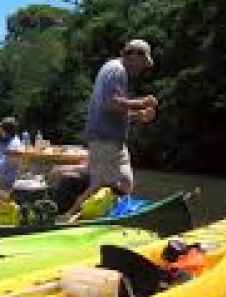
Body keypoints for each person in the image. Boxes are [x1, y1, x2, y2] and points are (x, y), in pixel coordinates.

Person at [65, 39, 158, 219]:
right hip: (104, 137)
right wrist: (143, 102)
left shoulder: (116, 70)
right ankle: (70, 217)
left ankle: (110, 214)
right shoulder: (116, 70)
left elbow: (115, 110)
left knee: (124, 182)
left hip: (114, 139)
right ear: (134, 55)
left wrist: (138, 116)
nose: (142, 68)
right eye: (143, 62)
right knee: (101, 184)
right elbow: (111, 104)